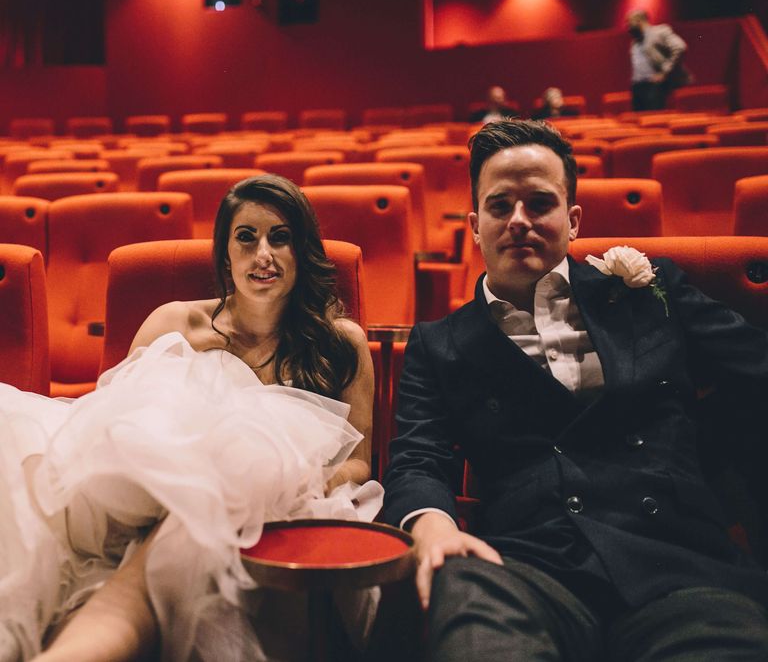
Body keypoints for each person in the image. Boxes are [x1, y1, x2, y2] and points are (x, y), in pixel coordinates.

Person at [382, 119, 768, 660]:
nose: (518, 221)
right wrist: (433, 527)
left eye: (539, 203)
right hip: (521, 567)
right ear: (474, 224)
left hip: (679, 564)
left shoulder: (647, 290)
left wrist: (711, 463)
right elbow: (418, 461)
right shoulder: (437, 344)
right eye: (499, 206)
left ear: (573, 219)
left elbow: (757, 371)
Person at [0, 174, 380, 661]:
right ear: (225, 254)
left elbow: (360, 464)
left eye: (280, 238)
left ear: (301, 251)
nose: (263, 254)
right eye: (246, 238)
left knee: (198, 516)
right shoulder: (173, 323)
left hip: (270, 507)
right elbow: (108, 427)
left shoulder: (341, 343)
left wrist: (282, 476)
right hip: (132, 502)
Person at [626, 9, 690, 111]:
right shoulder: (635, 41)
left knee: (653, 121)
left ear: (639, 20)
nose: (627, 26)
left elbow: (679, 47)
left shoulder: (659, 32)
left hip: (653, 87)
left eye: (629, 22)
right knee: (638, 122)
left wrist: (664, 71)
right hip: (637, 88)